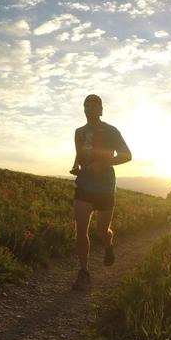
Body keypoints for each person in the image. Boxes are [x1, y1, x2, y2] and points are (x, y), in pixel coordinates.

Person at [69, 94, 132, 290]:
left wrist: (104, 163)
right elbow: (79, 155)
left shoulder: (111, 131)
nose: (89, 108)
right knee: (81, 228)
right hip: (84, 185)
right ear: (84, 109)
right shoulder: (79, 132)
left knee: (102, 231)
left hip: (105, 187)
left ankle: (108, 244)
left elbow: (127, 155)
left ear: (101, 110)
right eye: (86, 105)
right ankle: (84, 271)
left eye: (94, 105)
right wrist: (75, 166)